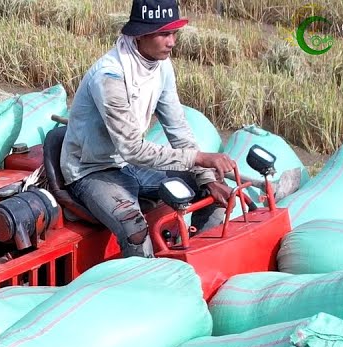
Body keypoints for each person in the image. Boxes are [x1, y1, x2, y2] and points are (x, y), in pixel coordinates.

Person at [59, 0, 241, 259]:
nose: (172, 42)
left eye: (174, 33)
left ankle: (191, 262)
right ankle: (146, 285)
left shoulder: (162, 66)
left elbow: (177, 128)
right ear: (140, 34)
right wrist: (199, 157)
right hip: (91, 169)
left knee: (207, 188)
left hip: (129, 164)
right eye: (164, 34)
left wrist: (206, 177)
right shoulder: (109, 77)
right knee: (134, 229)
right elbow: (132, 148)